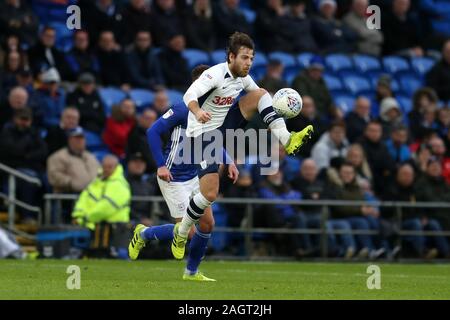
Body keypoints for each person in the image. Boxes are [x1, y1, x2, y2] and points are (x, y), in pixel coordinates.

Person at [171, 32, 313, 262]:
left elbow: (261, 101)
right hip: (202, 133)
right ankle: (181, 231)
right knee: (209, 194)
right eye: (244, 58)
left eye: (251, 59)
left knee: (260, 93)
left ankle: (287, 138)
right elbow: (190, 94)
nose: (248, 63)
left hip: (223, 127)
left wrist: (272, 123)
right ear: (231, 57)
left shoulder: (242, 79)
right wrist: (197, 111)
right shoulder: (214, 74)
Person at [128, 65, 238, 281]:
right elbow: (153, 131)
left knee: (207, 224)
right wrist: (160, 164)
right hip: (173, 176)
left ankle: (191, 272)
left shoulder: (212, 113)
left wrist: (229, 161)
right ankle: (142, 234)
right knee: (187, 231)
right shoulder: (181, 109)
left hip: (195, 175)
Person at [0, 108, 48, 222]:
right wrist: (28, 144)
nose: (25, 122)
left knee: (47, 182)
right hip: (12, 169)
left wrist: (27, 155)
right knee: (29, 179)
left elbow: (44, 151)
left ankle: (45, 218)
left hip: (32, 168)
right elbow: (14, 150)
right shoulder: (7, 131)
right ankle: (27, 215)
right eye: (22, 119)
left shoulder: (33, 132)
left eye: (27, 120)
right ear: (15, 119)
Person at [72, 154, 131, 230]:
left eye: (109, 167)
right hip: (93, 228)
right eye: (104, 166)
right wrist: (78, 216)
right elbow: (84, 198)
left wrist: (85, 218)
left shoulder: (120, 185)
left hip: (115, 230)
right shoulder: (96, 182)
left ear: (116, 167)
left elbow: (107, 207)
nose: (106, 169)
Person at [47, 126, 99, 194]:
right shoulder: (58, 157)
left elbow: (99, 172)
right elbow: (53, 176)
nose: (80, 141)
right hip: (68, 196)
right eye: (77, 138)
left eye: (82, 138)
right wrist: (70, 182)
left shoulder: (91, 157)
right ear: (69, 140)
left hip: (93, 194)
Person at [126, 152, 156, 226]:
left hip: (147, 221)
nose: (139, 165)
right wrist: (140, 219)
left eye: (142, 162)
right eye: (135, 162)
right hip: (128, 221)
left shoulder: (149, 185)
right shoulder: (122, 183)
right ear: (128, 164)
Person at [126, 108, 158, 174]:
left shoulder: (161, 134)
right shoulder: (135, 134)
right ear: (141, 119)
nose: (150, 121)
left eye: (152, 119)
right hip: (144, 169)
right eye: (147, 118)